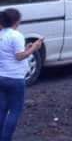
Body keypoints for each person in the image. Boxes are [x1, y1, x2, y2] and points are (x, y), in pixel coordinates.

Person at [0, 9, 41, 141]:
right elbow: (19, 56)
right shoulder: (16, 35)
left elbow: (9, 52)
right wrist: (34, 48)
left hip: (2, 76)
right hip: (15, 78)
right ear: (16, 21)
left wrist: (27, 47)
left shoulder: (2, 34)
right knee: (14, 111)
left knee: (2, 109)